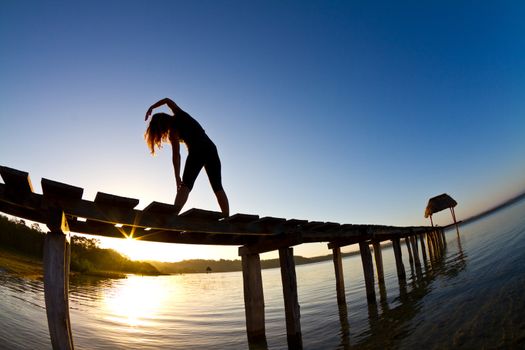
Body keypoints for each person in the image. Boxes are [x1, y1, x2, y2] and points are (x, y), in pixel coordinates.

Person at [144, 98, 229, 216]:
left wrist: (177, 177)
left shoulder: (173, 132)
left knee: (186, 185)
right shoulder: (179, 113)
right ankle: (226, 217)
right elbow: (167, 100)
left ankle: (173, 215)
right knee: (218, 186)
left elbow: (176, 155)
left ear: (161, 127)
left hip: (197, 150)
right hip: (211, 148)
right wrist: (152, 107)